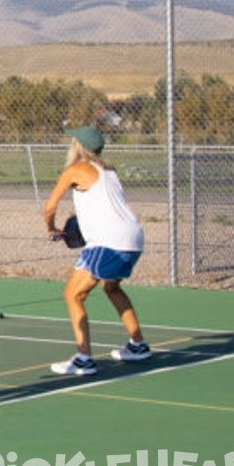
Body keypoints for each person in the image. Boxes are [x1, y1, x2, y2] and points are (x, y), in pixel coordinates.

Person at [44, 125, 151, 375]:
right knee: (111, 286)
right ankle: (138, 344)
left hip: (109, 241)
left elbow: (49, 207)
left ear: (78, 147)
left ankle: (84, 359)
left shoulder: (75, 170)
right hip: (134, 237)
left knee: (73, 295)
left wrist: (51, 229)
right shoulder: (109, 172)